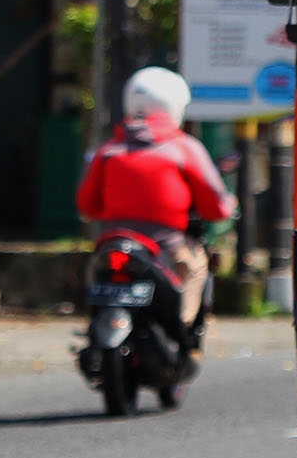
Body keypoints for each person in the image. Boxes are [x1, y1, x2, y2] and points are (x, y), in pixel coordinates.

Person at [76, 68, 235, 340]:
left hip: (112, 244)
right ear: (175, 106)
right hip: (167, 249)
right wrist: (229, 204)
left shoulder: (108, 148)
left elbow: (87, 206)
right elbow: (216, 209)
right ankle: (184, 333)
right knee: (197, 269)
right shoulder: (185, 147)